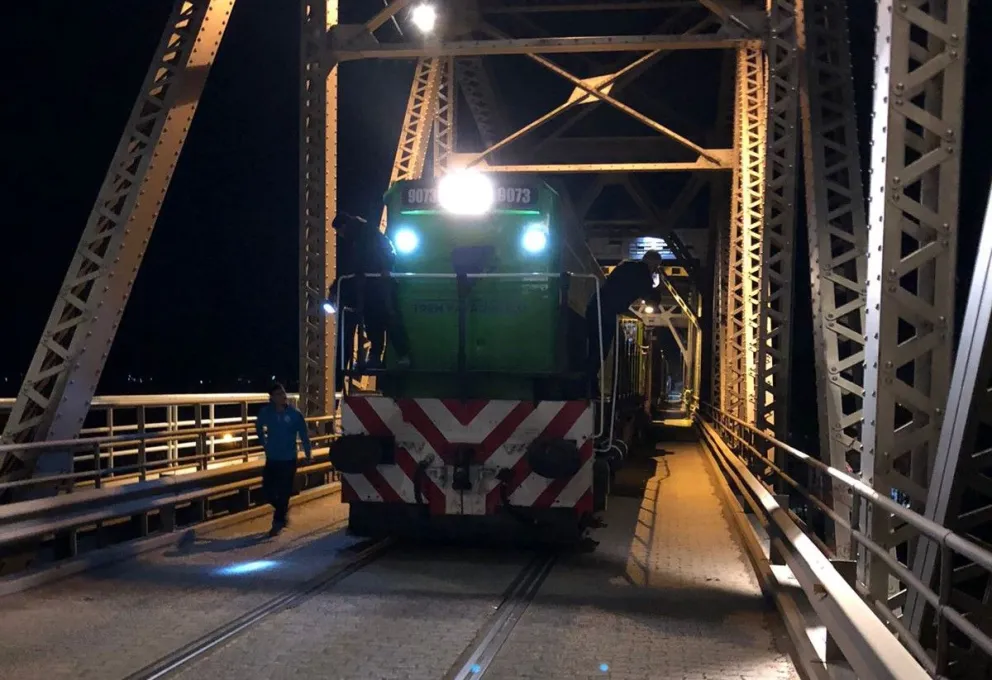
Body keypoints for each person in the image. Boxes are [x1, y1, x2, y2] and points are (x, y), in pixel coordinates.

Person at [327, 212, 410, 391]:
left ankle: (398, 354)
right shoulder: (363, 235)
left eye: (339, 231)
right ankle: (382, 356)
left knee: (386, 317)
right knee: (376, 320)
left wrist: (384, 269)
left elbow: (361, 262)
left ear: (344, 227)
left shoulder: (365, 236)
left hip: (377, 285)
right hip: (371, 286)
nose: (340, 236)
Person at [585, 250, 664, 395]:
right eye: (656, 266)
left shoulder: (626, 266)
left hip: (594, 306)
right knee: (601, 349)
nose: (655, 269)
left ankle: (589, 382)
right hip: (606, 312)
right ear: (653, 263)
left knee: (594, 346)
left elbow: (616, 292)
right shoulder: (643, 274)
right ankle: (589, 385)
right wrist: (658, 288)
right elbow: (651, 298)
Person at [255, 383, 312, 536]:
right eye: (278, 394)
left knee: (284, 490)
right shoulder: (266, 413)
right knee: (267, 490)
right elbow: (258, 427)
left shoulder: (295, 414)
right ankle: (282, 509)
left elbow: (304, 435)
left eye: (283, 393)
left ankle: (278, 520)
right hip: (272, 457)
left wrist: (308, 453)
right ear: (272, 398)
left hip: (289, 458)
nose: (283, 396)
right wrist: (264, 443)